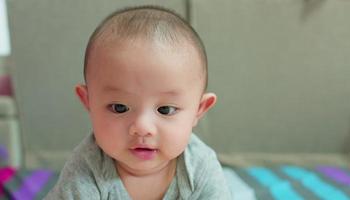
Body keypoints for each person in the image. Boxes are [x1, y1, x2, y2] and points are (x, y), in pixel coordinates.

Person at [46, 5, 231, 200]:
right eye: (119, 108)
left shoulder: (200, 168)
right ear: (88, 101)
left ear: (199, 110)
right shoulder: (86, 170)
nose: (142, 127)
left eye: (165, 109)